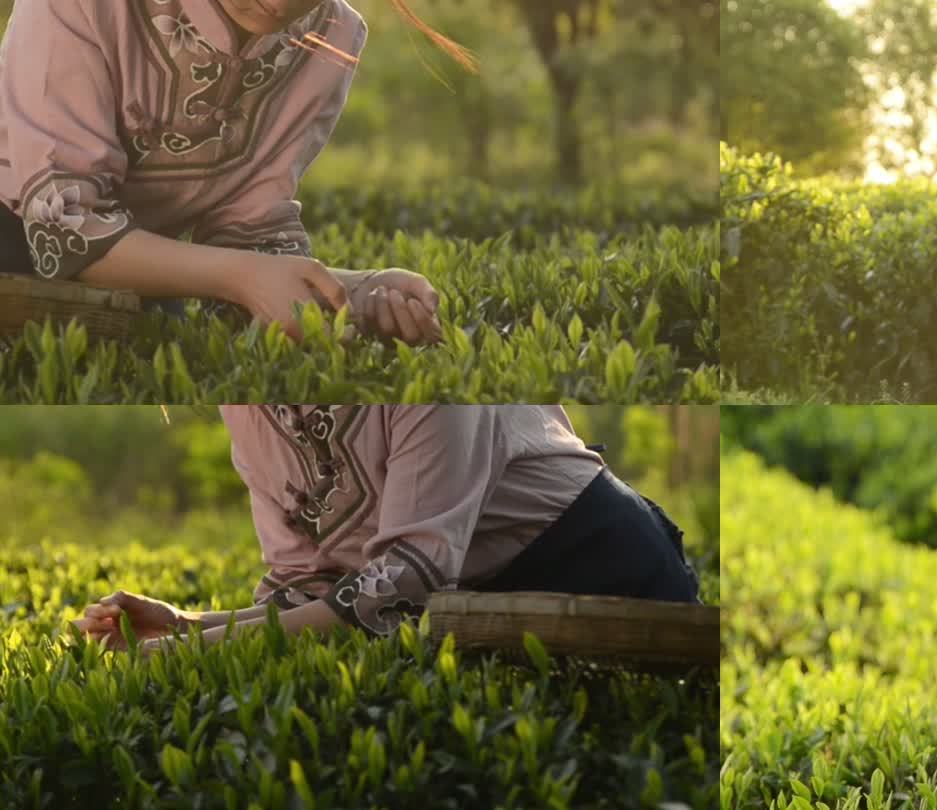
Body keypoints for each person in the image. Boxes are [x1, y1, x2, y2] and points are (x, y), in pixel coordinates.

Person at [0, 0, 466, 343]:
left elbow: (249, 240)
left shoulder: (333, 36)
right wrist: (242, 276)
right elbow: (64, 225)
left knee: (168, 343)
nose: (279, 4)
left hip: (142, 279)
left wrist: (354, 290)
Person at [70, 405, 702, 648]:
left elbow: (401, 584)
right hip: (463, 608)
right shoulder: (246, 412)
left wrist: (192, 653)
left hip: (593, 561)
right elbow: (308, 580)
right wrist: (187, 625)